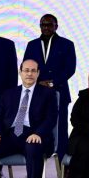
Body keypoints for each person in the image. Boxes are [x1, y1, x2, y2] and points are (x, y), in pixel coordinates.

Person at [23, 14, 76, 161]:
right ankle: (36, 163)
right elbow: (26, 66)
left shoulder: (67, 44)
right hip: (37, 92)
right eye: (43, 25)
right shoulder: (32, 44)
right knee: (36, 127)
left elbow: (70, 68)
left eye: (49, 24)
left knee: (61, 129)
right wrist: (37, 82)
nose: (46, 27)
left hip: (59, 91)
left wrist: (52, 82)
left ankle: (62, 165)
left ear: (56, 26)